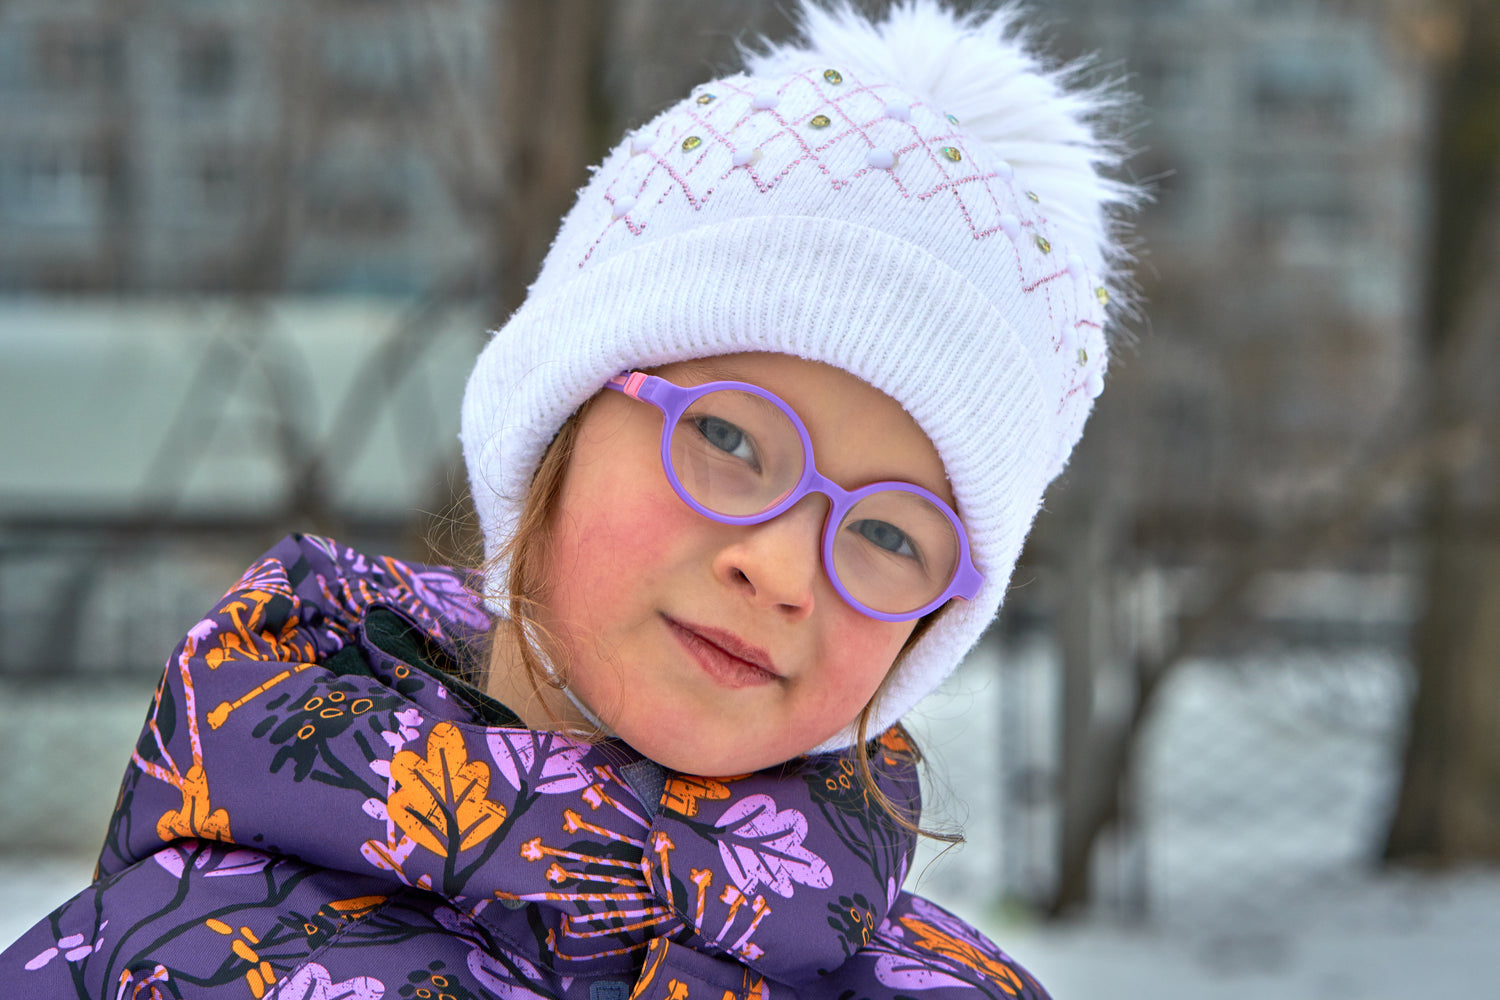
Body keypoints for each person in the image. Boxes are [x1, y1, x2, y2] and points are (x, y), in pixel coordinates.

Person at [2, 1, 1140, 997]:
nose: (785, 568)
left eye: (892, 533)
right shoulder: (166, 952)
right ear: (556, 418)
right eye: (730, 438)